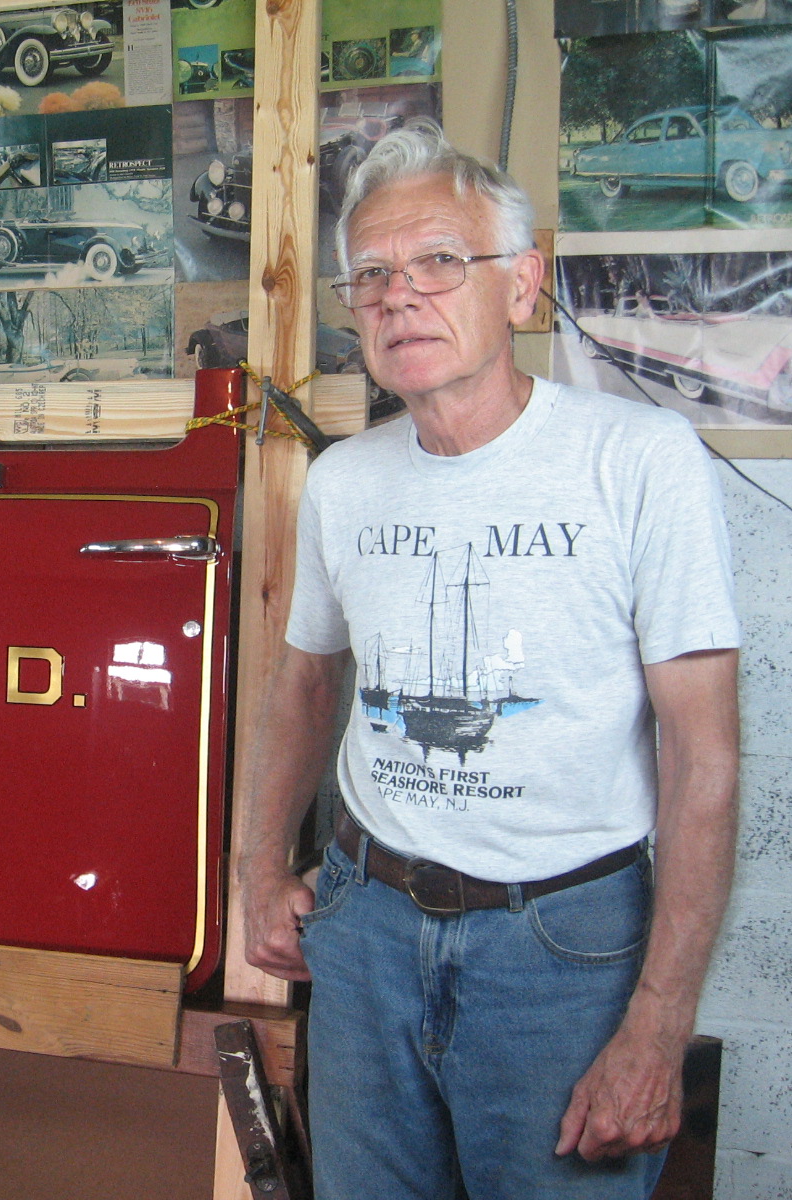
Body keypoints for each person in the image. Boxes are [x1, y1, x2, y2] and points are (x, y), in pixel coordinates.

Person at [239, 119, 740, 1199]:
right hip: (365, 925)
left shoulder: (639, 462)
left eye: (437, 262)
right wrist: (257, 866)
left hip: (563, 945)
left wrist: (659, 1025)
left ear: (520, 286)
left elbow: (703, 755)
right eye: (370, 275)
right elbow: (306, 684)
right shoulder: (344, 482)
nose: (397, 296)